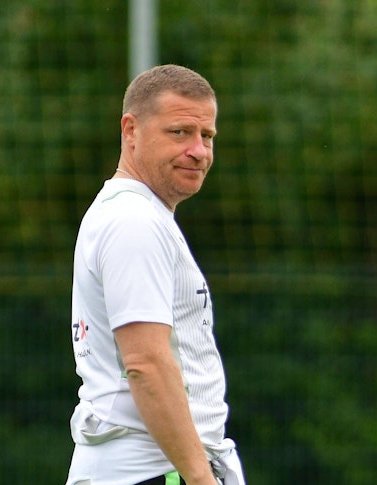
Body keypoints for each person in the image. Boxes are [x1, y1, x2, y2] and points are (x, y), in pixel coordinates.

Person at [66, 64, 246, 485]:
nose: (199, 150)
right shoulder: (134, 221)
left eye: (208, 136)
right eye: (179, 132)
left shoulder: (135, 214)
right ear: (131, 130)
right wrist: (202, 479)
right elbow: (146, 363)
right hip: (150, 472)